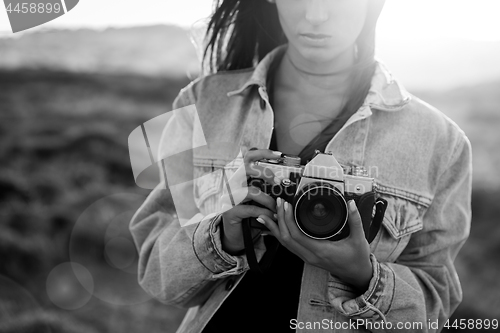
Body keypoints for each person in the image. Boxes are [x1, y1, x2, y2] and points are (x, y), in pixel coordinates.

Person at [130, 0, 472, 332]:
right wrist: (221, 236)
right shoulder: (199, 102)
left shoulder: (442, 142)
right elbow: (157, 277)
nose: (315, 14)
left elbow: (436, 304)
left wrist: (364, 275)